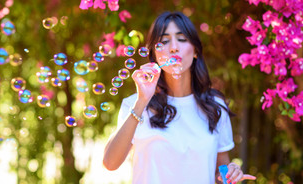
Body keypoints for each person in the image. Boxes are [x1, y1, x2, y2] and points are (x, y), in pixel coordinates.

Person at [103, 11, 256, 184]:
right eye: (165, 41)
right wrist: (142, 101)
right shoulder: (135, 104)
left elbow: (221, 173)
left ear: (196, 51)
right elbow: (110, 163)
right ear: (155, 54)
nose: (174, 47)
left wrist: (231, 173)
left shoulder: (215, 106)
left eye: (182, 39)